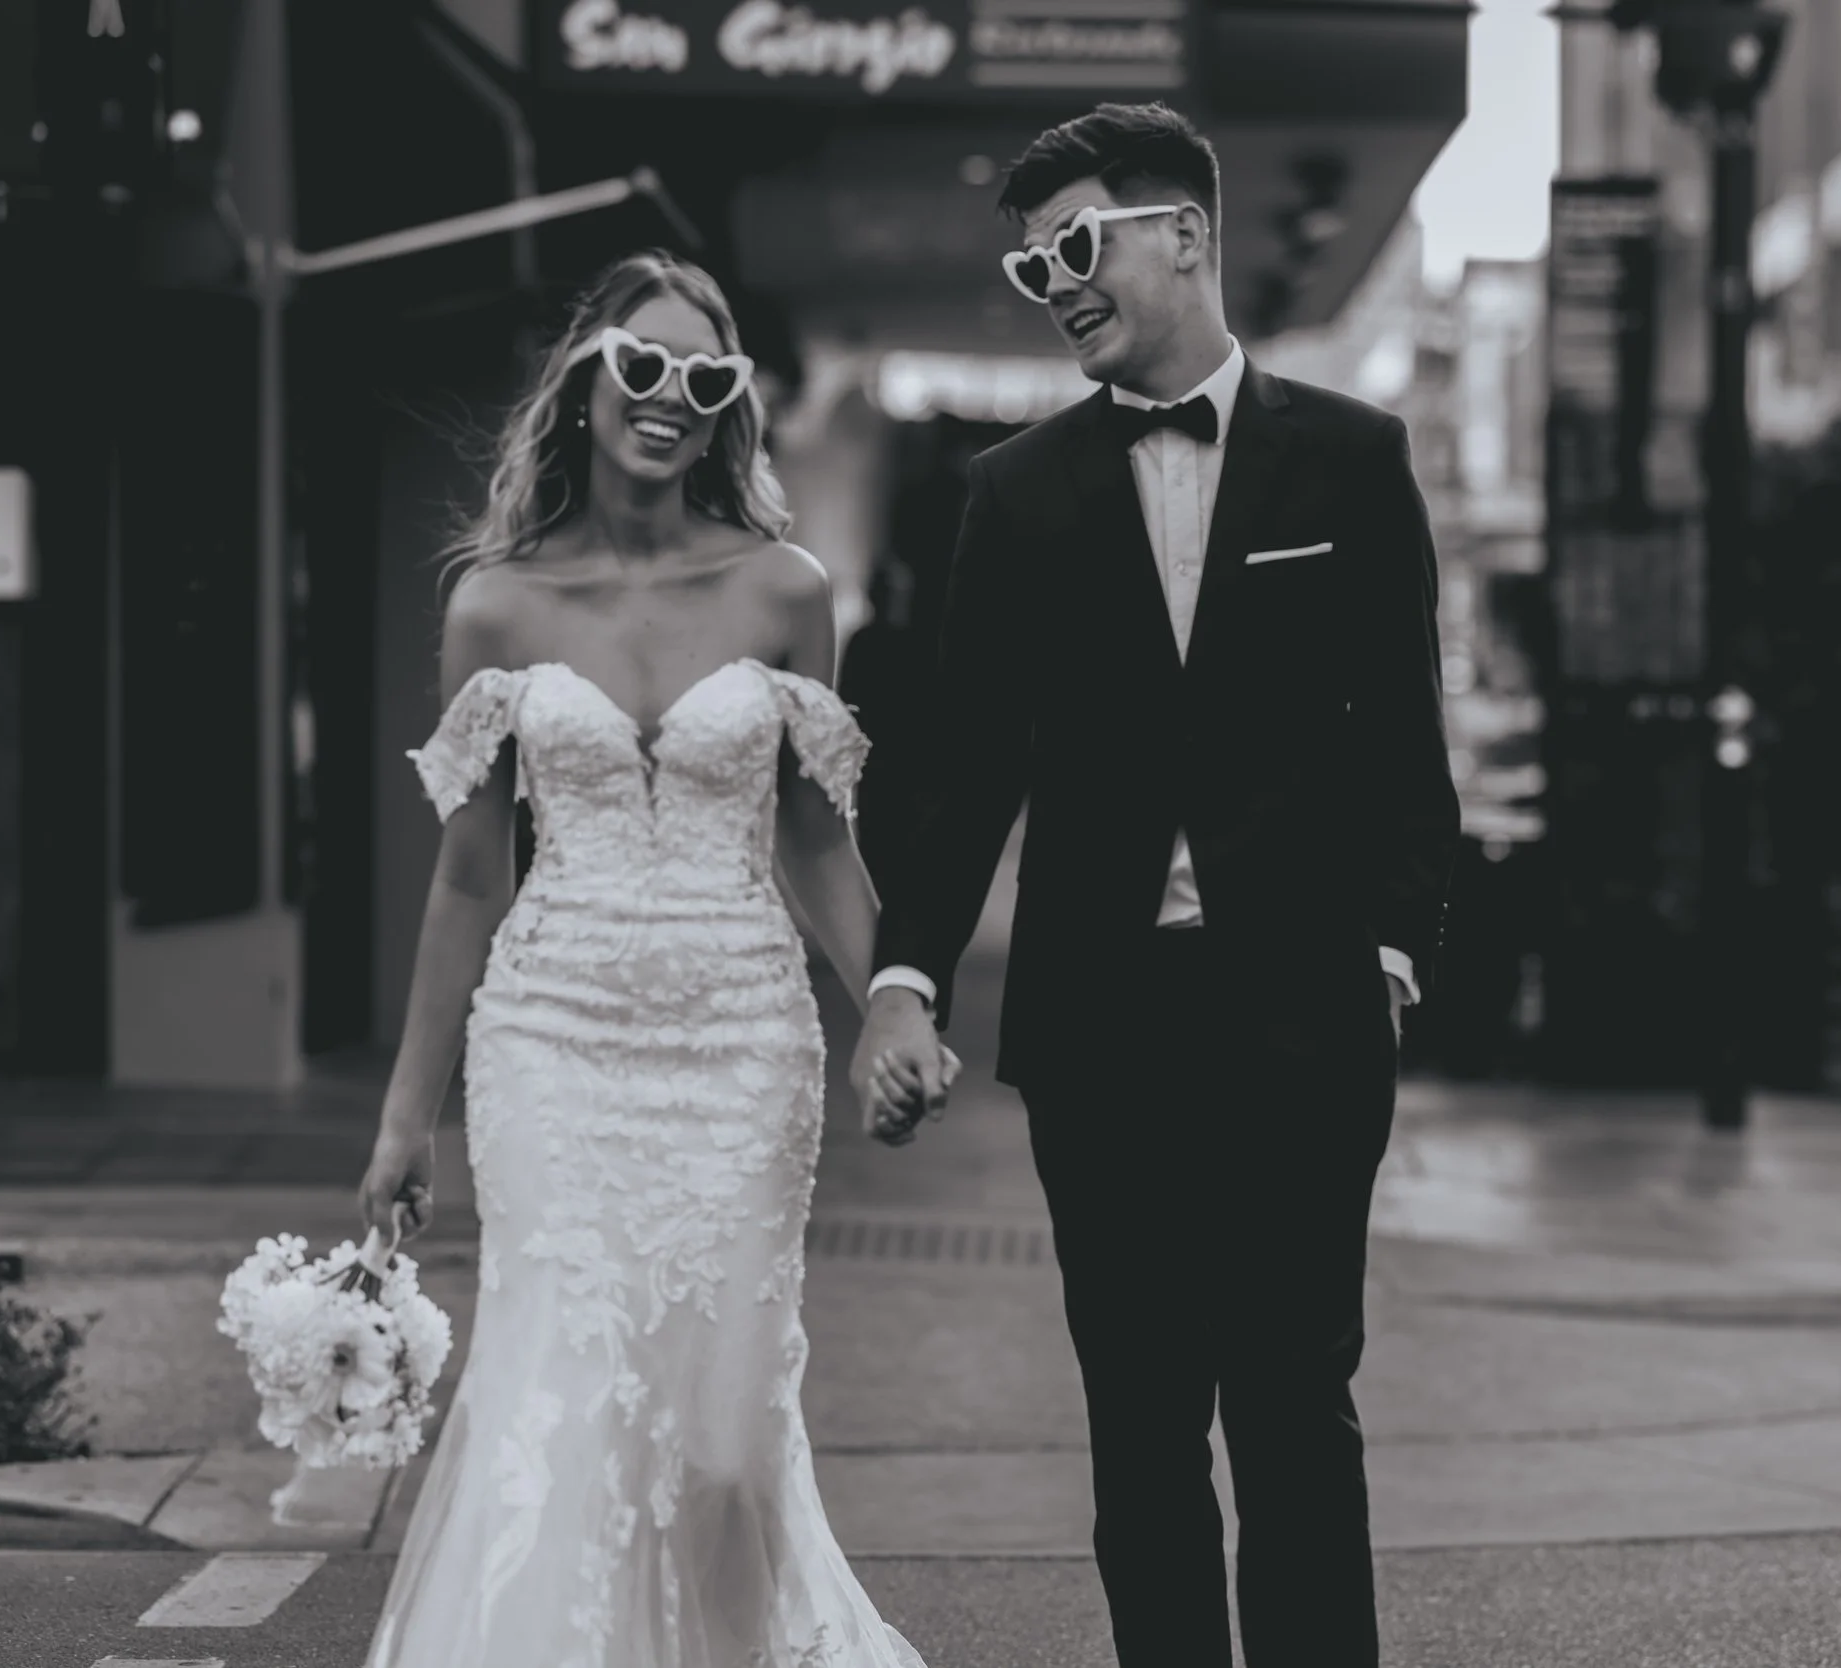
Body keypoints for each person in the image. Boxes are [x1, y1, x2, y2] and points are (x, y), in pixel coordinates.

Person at [849, 104, 1462, 1668]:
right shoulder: (1015, 491)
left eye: (1076, 245)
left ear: (1183, 235)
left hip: (1307, 1018)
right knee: (1140, 1424)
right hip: (1102, 1031)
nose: (1053, 283)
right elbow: (965, 769)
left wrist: (1391, 953)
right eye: (1031, 263)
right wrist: (906, 979)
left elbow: (1405, 742)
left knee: (1295, 1405)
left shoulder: (1354, 457)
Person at [353, 249, 939, 1668]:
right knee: (567, 1415)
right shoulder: (493, 605)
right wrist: (403, 1118)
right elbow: (468, 874)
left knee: (726, 1450)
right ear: (583, 382)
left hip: (744, 1047)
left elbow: (813, 836)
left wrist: (895, 1002)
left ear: (733, 403)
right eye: (643, 365)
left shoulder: (785, 590)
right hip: (549, 1045)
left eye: (706, 376)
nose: (671, 396)